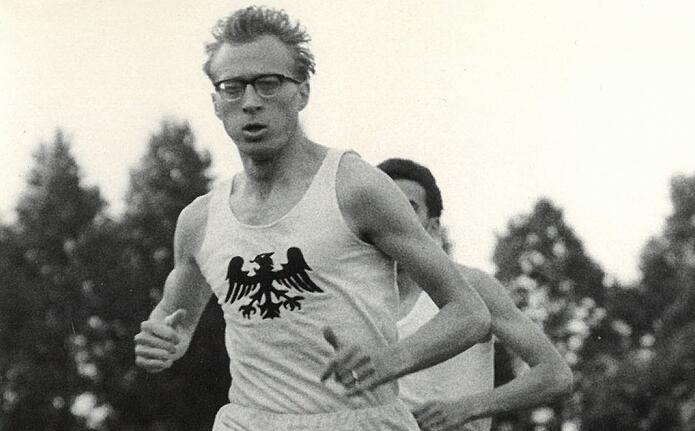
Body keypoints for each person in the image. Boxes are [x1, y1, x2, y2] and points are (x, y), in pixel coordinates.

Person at [133, 6, 490, 431]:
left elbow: (470, 313)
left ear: (302, 92)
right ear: (215, 102)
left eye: (268, 84)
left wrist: (391, 361)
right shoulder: (199, 220)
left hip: (359, 421)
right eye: (232, 87)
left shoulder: (355, 187)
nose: (250, 102)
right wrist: (162, 341)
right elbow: (176, 319)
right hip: (248, 421)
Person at [378, 158, 574, 431]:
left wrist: (466, 408)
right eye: (385, 206)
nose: (395, 217)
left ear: (433, 228)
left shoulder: (470, 286)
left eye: (408, 208)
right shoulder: (357, 296)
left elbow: (555, 374)